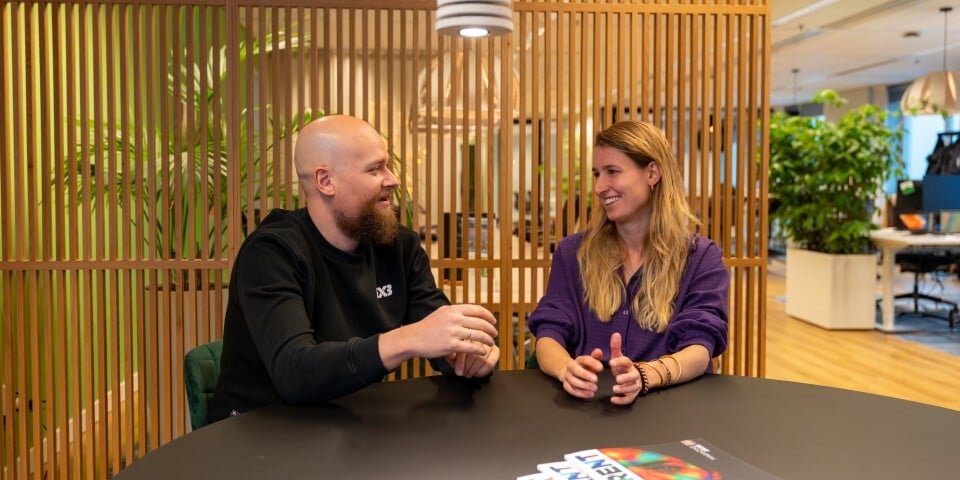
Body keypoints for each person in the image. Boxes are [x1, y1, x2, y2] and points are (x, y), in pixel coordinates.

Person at [210, 115, 499, 422]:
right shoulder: (272, 253)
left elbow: (439, 330)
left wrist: (464, 355)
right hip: (259, 435)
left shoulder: (398, 247)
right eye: (375, 169)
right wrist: (410, 338)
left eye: (387, 166)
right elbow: (295, 372)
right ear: (325, 181)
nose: (392, 179)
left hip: (351, 426)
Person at [528, 120, 728, 405]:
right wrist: (566, 370)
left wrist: (647, 375)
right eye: (597, 174)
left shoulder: (700, 257)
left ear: (652, 173)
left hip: (671, 413)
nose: (599, 187)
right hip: (589, 413)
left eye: (612, 172)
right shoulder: (573, 253)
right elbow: (548, 334)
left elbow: (700, 347)